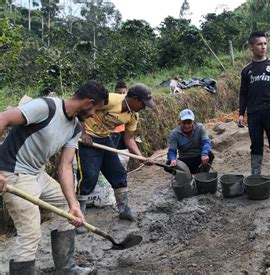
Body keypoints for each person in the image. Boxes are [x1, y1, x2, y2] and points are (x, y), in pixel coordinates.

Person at [0, 80, 108, 274]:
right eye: (95, 110)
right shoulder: (46, 106)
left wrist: (74, 205)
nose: (93, 115)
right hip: (14, 173)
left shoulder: (75, 127)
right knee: (30, 233)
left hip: (37, 173)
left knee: (67, 207)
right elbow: (3, 118)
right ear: (88, 102)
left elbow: (65, 167)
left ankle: (66, 268)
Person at [77, 83, 156, 224]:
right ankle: (79, 217)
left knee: (118, 174)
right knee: (89, 177)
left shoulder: (133, 116)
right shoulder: (111, 100)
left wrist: (141, 157)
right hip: (88, 140)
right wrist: (82, 133)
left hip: (105, 139)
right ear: (136, 99)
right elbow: (82, 109)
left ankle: (124, 210)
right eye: (143, 104)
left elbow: (129, 139)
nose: (144, 108)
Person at [239, 31, 270, 191]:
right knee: (256, 145)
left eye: (265, 43)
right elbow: (243, 93)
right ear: (251, 47)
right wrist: (241, 113)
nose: (263, 47)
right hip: (254, 114)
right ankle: (255, 177)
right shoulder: (246, 71)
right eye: (259, 44)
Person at [167, 109, 214, 174]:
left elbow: (206, 142)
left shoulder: (200, 128)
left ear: (193, 122)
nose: (187, 126)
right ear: (180, 122)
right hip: (185, 160)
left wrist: (204, 154)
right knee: (168, 164)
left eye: (189, 122)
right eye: (184, 122)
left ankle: (202, 174)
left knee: (210, 154)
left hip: (199, 157)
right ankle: (185, 176)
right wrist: (173, 159)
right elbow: (172, 150)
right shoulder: (174, 133)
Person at [111, 80, 128, 149]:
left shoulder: (129, 104)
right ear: (115, 92)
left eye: (124, 93)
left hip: (124, 132)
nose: (122, 95)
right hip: (114, 132)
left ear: (127, 92)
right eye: (119, 93)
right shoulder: (111, 104)